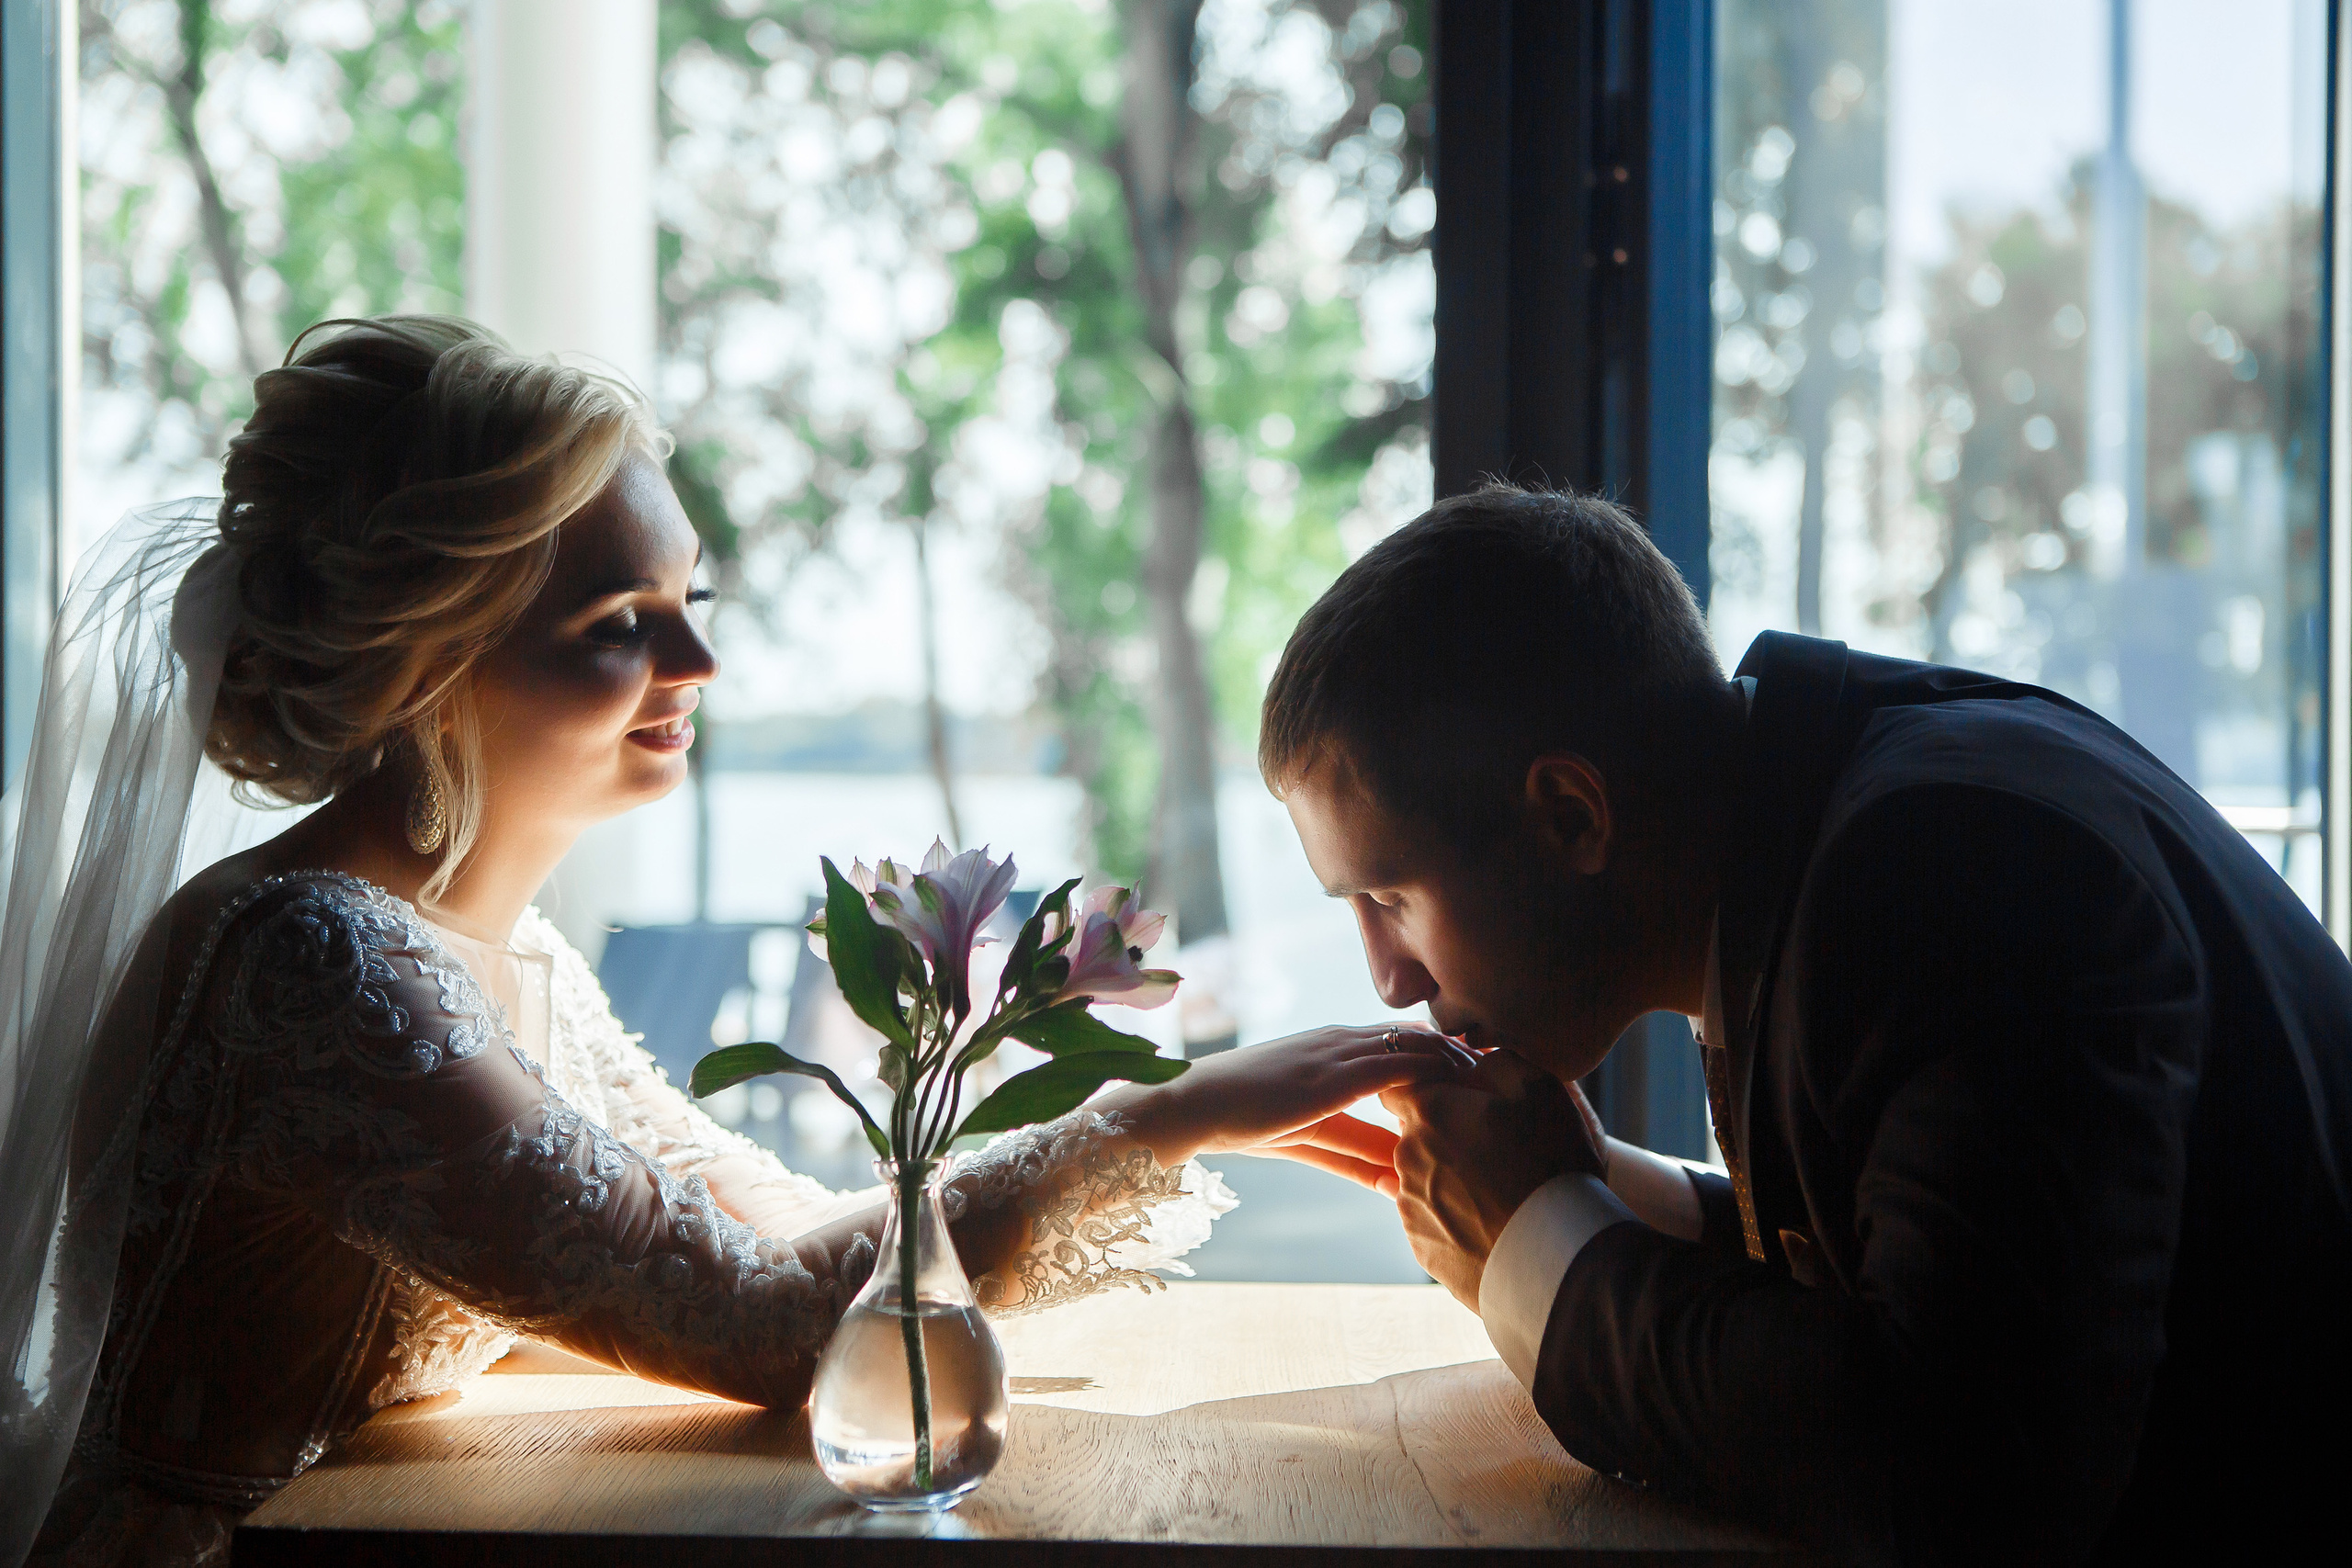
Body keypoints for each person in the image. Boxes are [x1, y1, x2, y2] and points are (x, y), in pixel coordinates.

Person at [0, 316, 1441, 1568]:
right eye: (622, 623)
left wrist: (1148, 1116)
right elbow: (765, 1322)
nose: (696, 664)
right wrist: (1165, 1114)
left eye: (694, 602)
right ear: (429, 656)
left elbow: (778, 1230)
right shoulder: (321, 966)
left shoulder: (500, 956)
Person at [1258, 484, 2352, 1565]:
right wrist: (1601, 1189)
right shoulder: (1868, 816)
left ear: (1569, 816)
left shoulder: (1949, 876)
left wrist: (1540, 1247)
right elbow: (1949, 1278)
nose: (1388, 980)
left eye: (1389, 899)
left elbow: (1961, 1479)